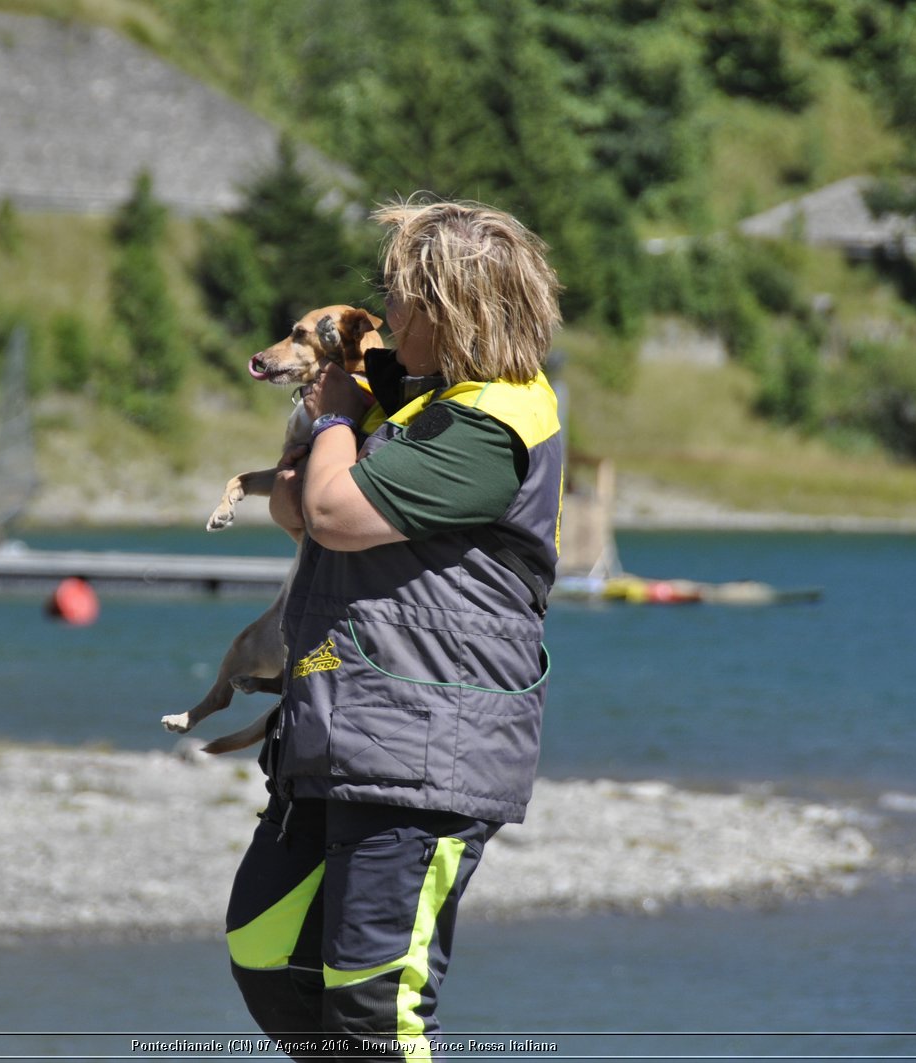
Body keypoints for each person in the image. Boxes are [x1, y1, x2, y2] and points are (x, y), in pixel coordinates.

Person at [225, 198, 564, 1061]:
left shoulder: (493, 422)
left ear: (452, 309)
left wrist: (335, 415)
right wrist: (331, 436)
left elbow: (331, 508)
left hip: (426, 749)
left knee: (380, 1008)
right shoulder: (424, 399)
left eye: (401, 297)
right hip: (343, 731)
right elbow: (295, 507)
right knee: (267, 954)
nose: (383, 318)